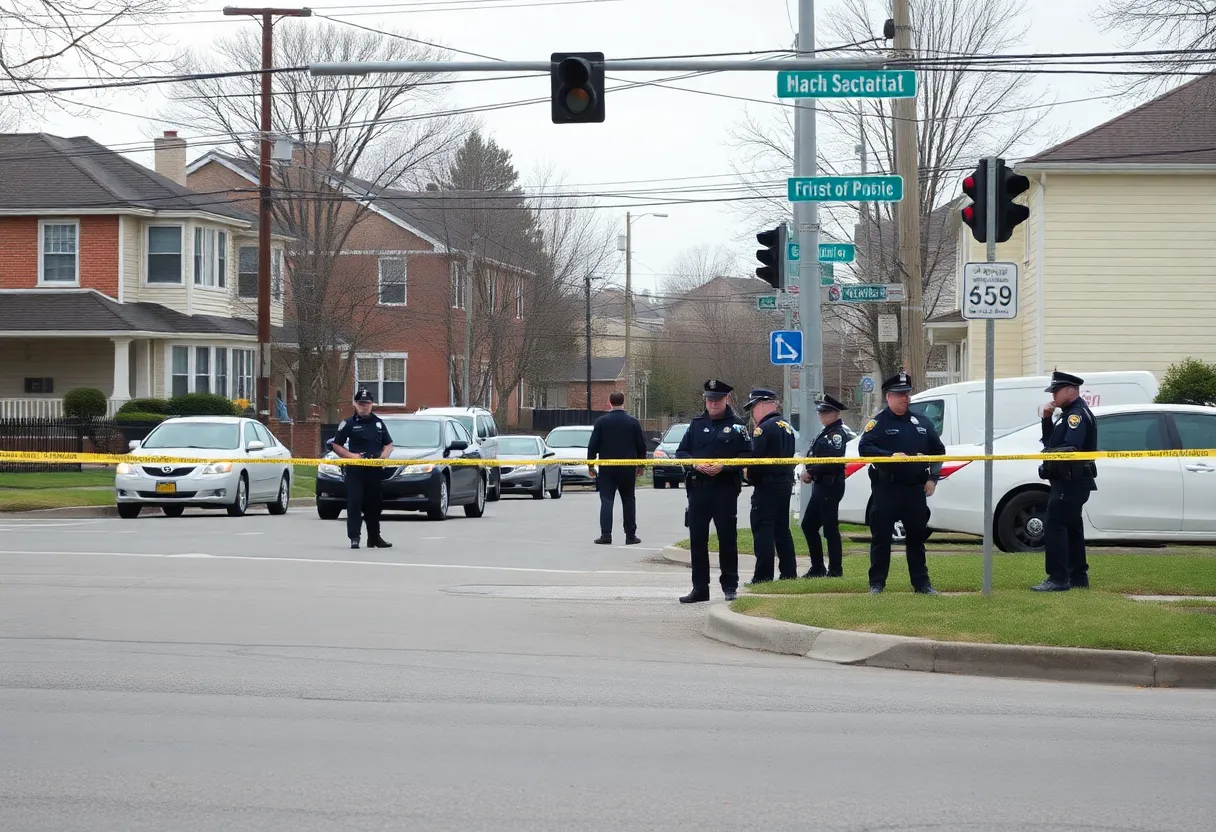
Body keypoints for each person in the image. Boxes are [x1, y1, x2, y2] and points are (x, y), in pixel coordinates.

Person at [858, 371, 945, 594]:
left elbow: (938, 451)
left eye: (906, 394)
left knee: (916, 537)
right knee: (882, 538)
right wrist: (889, 456)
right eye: (899, 395)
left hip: (914, 489)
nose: (904, 398)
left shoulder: (921, 422)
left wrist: (932, 478)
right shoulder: (878, 422)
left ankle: (922, 584)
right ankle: (877, 584)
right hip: (887, 488)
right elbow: (864, 449)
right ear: (889, 396)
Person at [675, 379, 750, 603]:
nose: (713, 404)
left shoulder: (738, 426)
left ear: (726, 400)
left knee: (727, 539)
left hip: (725, 489)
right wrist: (695, 464)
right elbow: (681, 452)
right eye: (709, 400)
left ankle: (729, 586)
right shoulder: (696, 424)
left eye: (717, 400)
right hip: (699, 490)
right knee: (697, 540)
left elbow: (748, 456)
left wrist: (724, 466)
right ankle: (700, 588)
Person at [1033, 370, 1098, 592]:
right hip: (1069, 480)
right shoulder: (1068, 413)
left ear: (1070, 391)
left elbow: (1071, 447)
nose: (1053, 396)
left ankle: (1058, 578)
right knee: (1071, 527)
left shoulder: (1076, 415)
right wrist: (1046, 419)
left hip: (1070, 480)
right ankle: (1078, 577)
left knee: (1055, 524)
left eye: (1056, 391)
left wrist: (1049, 455)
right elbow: (1050, 441)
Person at [743, 388, 797, 583]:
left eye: (753, 407)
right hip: (784, 484)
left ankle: (763, 575)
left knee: (763, 528)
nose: (752, 413)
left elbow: (756, 461)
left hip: (766, 485)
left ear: (764, 404)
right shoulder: (786, 426)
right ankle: (789, 573)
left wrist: (749, 476)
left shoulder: (763, 428)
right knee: (782, 528)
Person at [331, 387, 395, 550]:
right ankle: (354, 537)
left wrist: (383, 457)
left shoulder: (379, 423)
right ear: (355, 404)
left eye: (366, 403)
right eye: (361, 403)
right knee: (355, 502)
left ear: (372, 404)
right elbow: (336, 445)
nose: (364, 406)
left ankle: (374, 537)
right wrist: (352, 456)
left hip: (374, 469)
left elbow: (389, 444)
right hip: (355, 470)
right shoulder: (348, 423)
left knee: (374, 504)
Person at [587, 390, 648, 545]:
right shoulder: (633, 422)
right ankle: (630, 535)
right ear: (623, 402)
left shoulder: (601, 422)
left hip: (607, 468)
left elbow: (593, 445)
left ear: (610, 402)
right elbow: (641, 445)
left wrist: (591, 464)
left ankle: (606, 535)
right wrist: (641, 464)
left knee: (606, 501)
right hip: (627, 467)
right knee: (628, 500)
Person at [800, 393, 850, 578]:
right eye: (820, 412)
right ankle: (818, 567)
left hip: (830, 484)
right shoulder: (826, 431)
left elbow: (832, 460)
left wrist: (811, 472)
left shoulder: (836, 433)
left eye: (826, 412)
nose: (821, 415)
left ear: (836, 414)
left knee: (829, 528)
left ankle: (835, 570)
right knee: (809, 525)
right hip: (821, 484)